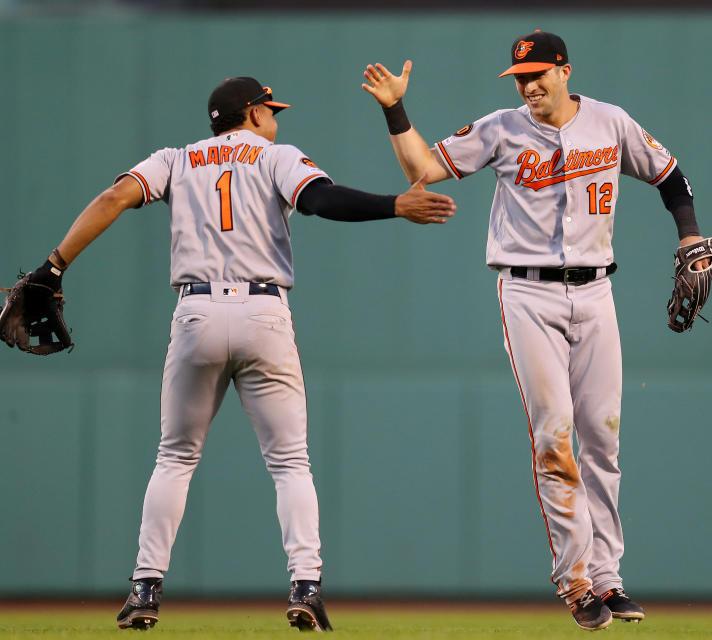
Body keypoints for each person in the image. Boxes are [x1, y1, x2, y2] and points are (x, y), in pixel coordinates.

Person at [14, 76, 455, 632]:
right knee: (290, 461)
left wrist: (53, 266)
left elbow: (112, 199)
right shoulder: (276, 156)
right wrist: (395, 204)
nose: (276, 118)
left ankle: (145, 589)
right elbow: (319, 200)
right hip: (263, 312)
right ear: (250, 113)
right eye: (270, 109)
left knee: (174, 457)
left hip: (195, 313)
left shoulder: (175, 159)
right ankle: (306, 586)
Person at [361, 31, 711, 630]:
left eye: (538, 73)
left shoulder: (610, 122)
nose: (529, 85)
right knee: (554, 432)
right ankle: (576, 582)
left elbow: (670, 176)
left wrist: (689, 234)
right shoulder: (501, 128)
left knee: (603, 439)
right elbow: (422, 168)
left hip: (597, 290)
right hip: (527, 291)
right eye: (520, 77)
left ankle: (609, 578)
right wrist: (395, 107)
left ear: (566, 70)